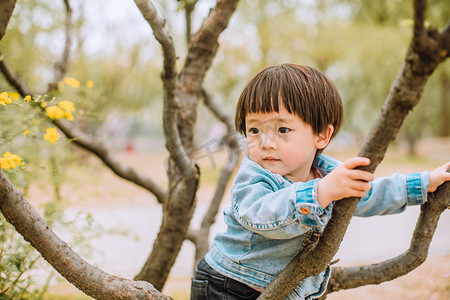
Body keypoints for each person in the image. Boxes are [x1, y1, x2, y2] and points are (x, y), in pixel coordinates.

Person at [190, 64, 450, 300]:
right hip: (226, 284)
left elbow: (367, 192)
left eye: (282, 130)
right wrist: (320, 193)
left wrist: (422, 184)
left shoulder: (326, 173)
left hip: (278, 290)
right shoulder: (254, 175)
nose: (265, 142)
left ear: (322, 135)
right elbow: (262, 215)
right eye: (254, 130)